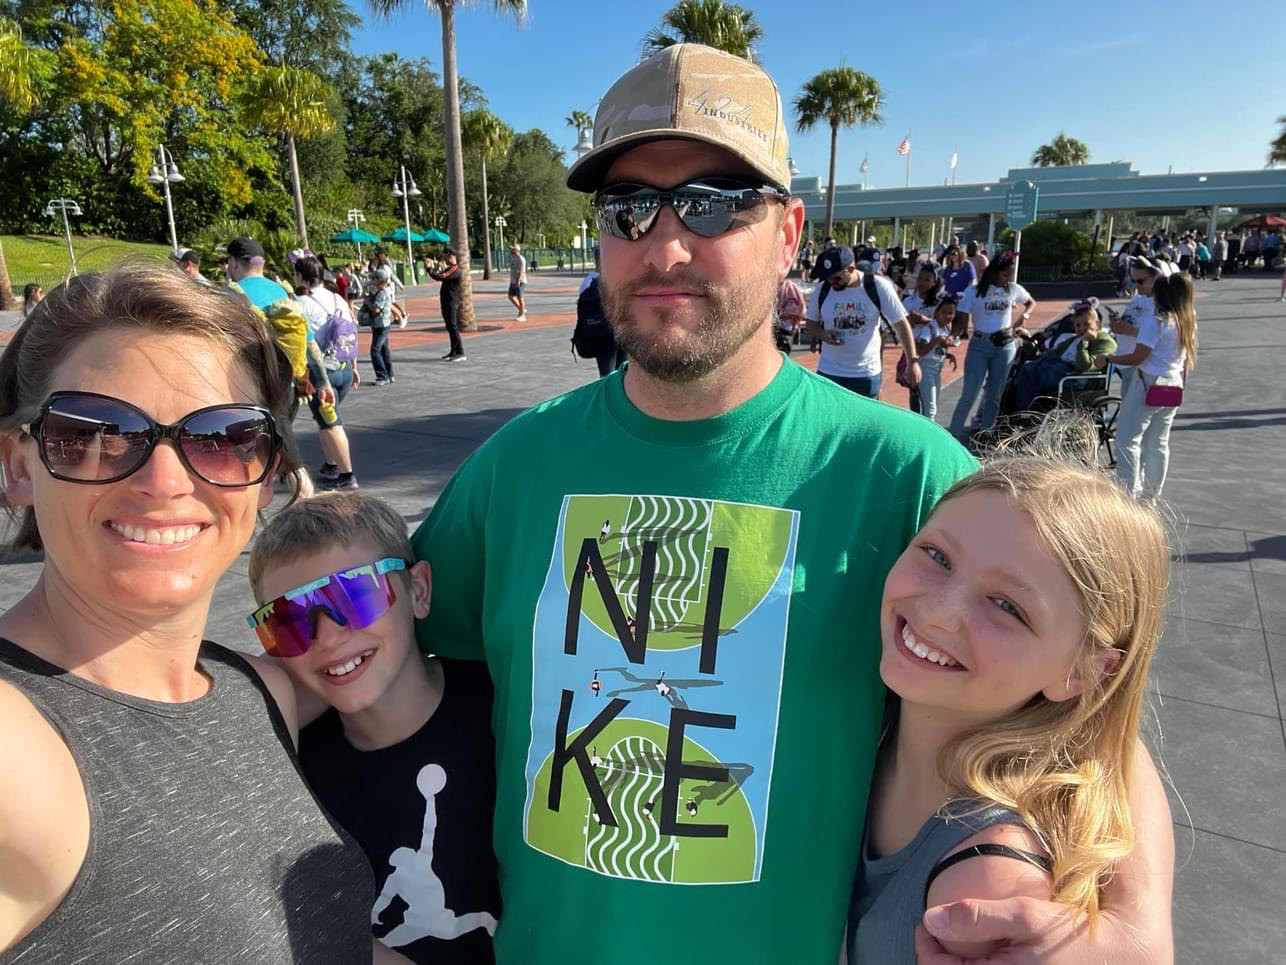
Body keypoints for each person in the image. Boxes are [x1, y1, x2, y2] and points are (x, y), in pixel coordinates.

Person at [409, 43, 1172, 964]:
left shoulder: (907, 474)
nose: (665, 245)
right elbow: (387, 654)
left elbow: (1097, 711)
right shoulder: (517, 466)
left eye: (713, 203)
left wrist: (1136, 927)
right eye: (628, 207)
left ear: (788, 233)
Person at [0, 263, 408, 962]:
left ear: (266, 472)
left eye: (222, 437)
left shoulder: (264, 691)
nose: (165, 481)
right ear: (18, 465)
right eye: (97, 432)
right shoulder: (18, 748)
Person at [852, 454, 1172, 963]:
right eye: (937, 556)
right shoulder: (878, 705)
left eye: (1007, 607)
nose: (937, 614)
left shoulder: (987, 886)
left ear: (1081, 674)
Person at [246, 492, 502, 963]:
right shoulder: (289, 779)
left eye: (356, 594)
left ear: (418, 590)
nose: (328, 637)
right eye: (289, 620)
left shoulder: (506, 710)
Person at [1110, 271, 1198, 501]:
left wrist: (1110, 358)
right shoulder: (1186, 321)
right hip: (1173, 383)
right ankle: (1151, 495)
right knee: (1158, 442)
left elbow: (1138, 356)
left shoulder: (1156, 321)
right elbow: (1185, 361)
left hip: (1148, 382)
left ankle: (1127, 493)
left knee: (1128, 439)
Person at [804, 244, 920, 398]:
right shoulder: (822, 289)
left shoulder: (877, 286)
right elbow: (811, 324)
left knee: (865, 414)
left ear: (851, 269)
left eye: (836, 278)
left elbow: (901, 324)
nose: (832, 282)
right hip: (829, 372)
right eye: (828, 278)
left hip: (865, 375)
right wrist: (823, 334)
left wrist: (912, 361)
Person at [947, 251, 1037, 438]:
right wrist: (951, 336)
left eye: (1010, 275)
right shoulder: (973, 292)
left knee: (994, 396)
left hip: (1004, 346)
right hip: (980, 345)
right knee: (969, 394)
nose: (1007, 279)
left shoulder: (1012, 289)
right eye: (1004, 275)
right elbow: (961, 320)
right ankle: (953, 435)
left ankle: (984, 436)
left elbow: (1030, 302)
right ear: (994, 272)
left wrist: (1024, 316)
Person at [294, 255, 361, 490]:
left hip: (322, 373)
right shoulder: (336, 298)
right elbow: (350, 332)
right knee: (325, 420)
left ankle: (347, 474)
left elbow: (301, 340)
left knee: (333, 423)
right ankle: (331, 464)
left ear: (301, 276)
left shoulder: (300, 304)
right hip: (343, 368)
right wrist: (354, 366)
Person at [1011, 299, 1116, 411]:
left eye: (1086, 324)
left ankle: (1026, 410)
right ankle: (1021, 409)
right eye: (1078, 325)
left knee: (1033, 373)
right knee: (1027, 367)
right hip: (1059, 371)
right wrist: (1028, 340)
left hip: (1075, 378)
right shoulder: (1072, 340)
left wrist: (1084, 343)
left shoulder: (1105, 342)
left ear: (1097, 324)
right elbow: (1047, 354)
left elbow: (1084, 366)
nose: (1082, 328)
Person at [907, 293, 958, 422]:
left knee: (933, 406)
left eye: (950, 313)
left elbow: (936, 351)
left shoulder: (945, 329)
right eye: (944, 312)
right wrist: (936, 340)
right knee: (930, 408)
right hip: (926, 369)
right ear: (936, 313)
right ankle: (926, 431)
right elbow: (921, 350)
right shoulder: (930, 328)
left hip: (936, 370)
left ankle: (927, 428)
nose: (947, 316)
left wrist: (948, 355)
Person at [428, 249, 467, 362]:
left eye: (446, 256)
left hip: (451, 301)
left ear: (452, 256)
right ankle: (453, 351)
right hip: (446, 301)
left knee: (453, 327)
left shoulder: (455, 270)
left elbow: (442, 276)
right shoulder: (450, 269)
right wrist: (433, 269)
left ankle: (460, 352)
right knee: (450, 327)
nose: (445, 259)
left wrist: (430, 269)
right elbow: (439, 274)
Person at [369, 266, 396, 385]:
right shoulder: (385, 292)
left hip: (381, 325)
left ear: (379, 280)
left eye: (374, 279)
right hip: (384, 323)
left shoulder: (381, 293)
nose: (372, 281)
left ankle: (382, 376)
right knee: (384, 349)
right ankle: (390, 374)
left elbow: (376, 309)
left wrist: (367, 302)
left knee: (375, 350)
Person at [508, 243, 528, 321]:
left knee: (520, 297)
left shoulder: (521, 259)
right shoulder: (513, 258)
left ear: (516, 250)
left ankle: (522, 315)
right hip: (513, 281)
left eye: (512, 249)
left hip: (521, 281)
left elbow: (521, 270)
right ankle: (521, 309)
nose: (511, 250)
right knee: (510, 296)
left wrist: (518, 280)